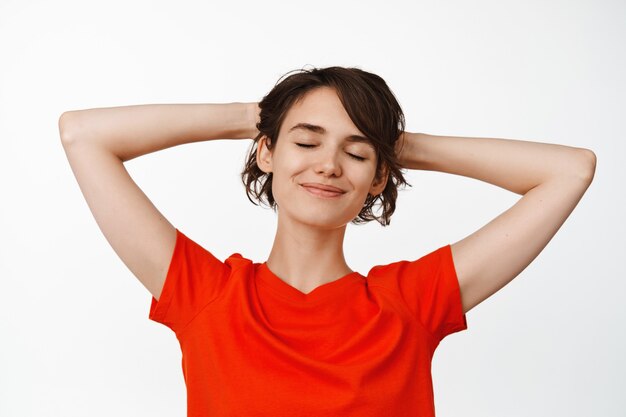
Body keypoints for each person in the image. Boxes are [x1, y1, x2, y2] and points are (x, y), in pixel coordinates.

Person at [58, 66, 596, 417]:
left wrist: (392, 143)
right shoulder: (207, 295)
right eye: (306, 140)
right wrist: (257, 115)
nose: (328, 165)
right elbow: (83, 134)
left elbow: (570, 170)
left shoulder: (410, 302)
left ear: (378, 178)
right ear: (266, 153)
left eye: (356, 154)